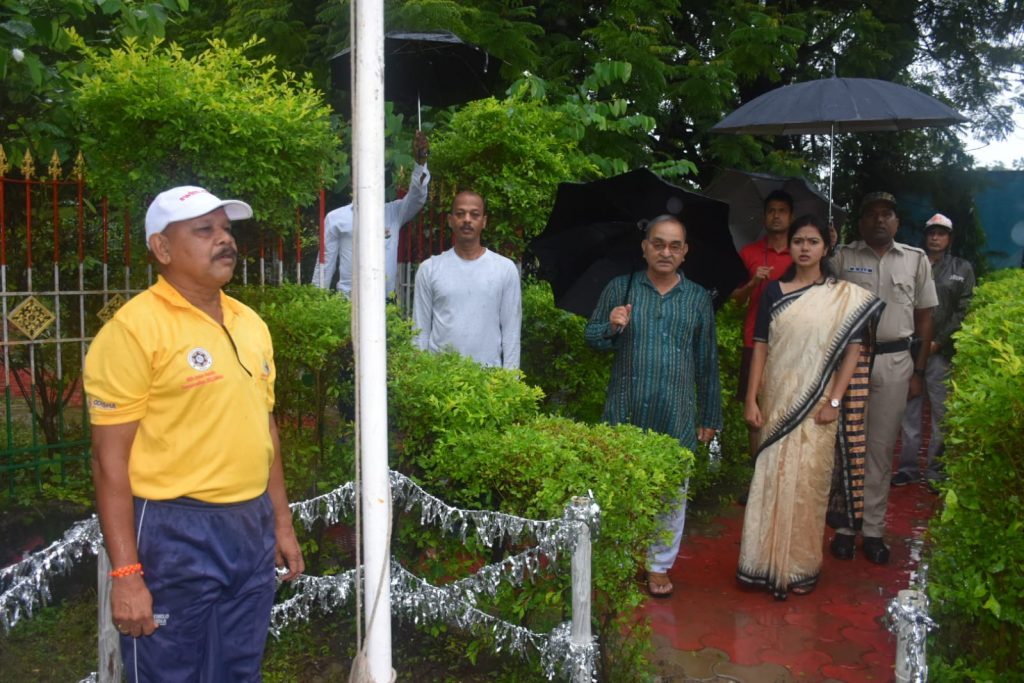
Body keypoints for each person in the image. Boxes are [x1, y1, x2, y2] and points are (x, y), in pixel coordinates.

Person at [85, 186, 304, 681]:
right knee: (170, 673)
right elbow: (107, 460)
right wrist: (126, 574)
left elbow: (264, 428)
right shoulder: (133, 330)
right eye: (204, 230)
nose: (224, 240)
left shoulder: (250, 323)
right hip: (173, 531)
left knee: (239, 669)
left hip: (250, 526)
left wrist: (281, 523)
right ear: (162, 249)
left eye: (226, 229)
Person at [738, 215, 882, 600]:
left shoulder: (843, 297)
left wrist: (835, 400)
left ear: (825, 247)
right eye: (798, 241)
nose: (804, 247)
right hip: (777, 402)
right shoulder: (774, 291)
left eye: (812, 241)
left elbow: (853, 351)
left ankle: (799, 567)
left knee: (808, 485)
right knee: (770, 479)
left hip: (818, 407)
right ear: (791, 246)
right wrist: (751, 398)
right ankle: (760, 563)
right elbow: (760, 347)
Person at [584, 215, 722, 597]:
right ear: (644, 247)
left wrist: (710, 415)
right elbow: (592, 338)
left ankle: (659, 565)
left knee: (671, 493)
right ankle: (621, 558)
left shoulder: (697, 298)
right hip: (625, 407)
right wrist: (611, 326)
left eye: (674, 246)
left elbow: (707, 360)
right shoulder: (621, 288)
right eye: (658, 243)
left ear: (685, 252)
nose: (665, 252)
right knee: (620, 487)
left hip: (677, 411)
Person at [829, 191, 937, 564]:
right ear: (860, 222)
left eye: (886, 214)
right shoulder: (842, 257)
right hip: (849, 362)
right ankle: (846, 528)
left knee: (880, 449)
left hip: (895, 362)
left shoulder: (915, 260)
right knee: (848, 446)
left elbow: (925, 318)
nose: (879, 220)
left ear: (896, 222)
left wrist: (918, 371)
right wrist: (827, 246)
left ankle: (873, 530)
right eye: (872, 214)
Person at [893, 213, 975, 489]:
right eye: (931, 233)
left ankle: (936, 472)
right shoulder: (911, 264)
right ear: (925, 237)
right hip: (910, 348)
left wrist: (938, 341)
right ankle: (907, 469)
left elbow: (964, 309)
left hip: (941, 352)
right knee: (909, 411)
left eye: (941, 234)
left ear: (950, 238)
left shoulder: (962, 268)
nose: (935, 238)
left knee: (942, 413)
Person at [311, 131, 431, 297]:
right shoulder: (336, 218)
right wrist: (316, 302)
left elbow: (417, 197)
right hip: (349, 304)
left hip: (386, 304)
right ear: (353, 181)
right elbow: (324, 264)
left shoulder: (394, 212)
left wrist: (420, 164)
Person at [413, 190, 521, 369]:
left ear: (484, 221)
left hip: (489, 377)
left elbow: (511, 332)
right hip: (440, 376)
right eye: (460, 213)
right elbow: (420, 332)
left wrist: (510, 380)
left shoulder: (504, 269)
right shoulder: (429, 269)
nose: (467, 220)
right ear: (450, 220)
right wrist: (419, 375)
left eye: (474, 214)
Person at [731, 190, 795, 494]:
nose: (776, 216)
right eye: (771, 210)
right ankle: (757, 477)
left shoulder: (801, 251)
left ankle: (783, 477)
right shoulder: (749, 252)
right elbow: (735, 300)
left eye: (782, 210)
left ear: (791, 216)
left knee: (788, 407)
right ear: (764, 216)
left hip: (791, 342)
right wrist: (754, 282)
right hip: (754, 341)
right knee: (754, 410)